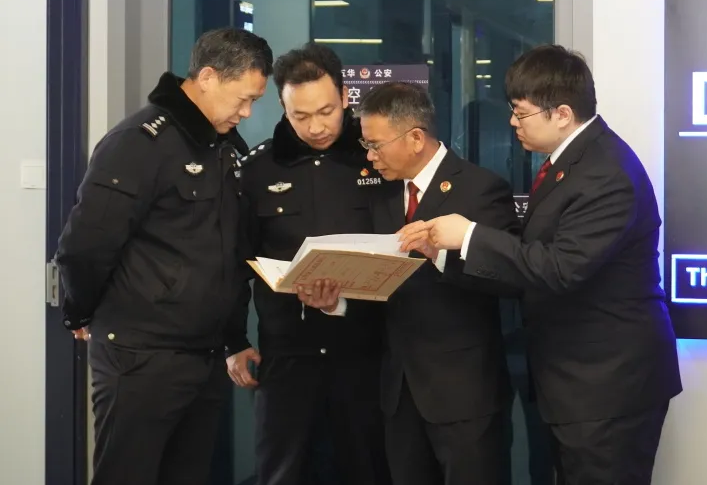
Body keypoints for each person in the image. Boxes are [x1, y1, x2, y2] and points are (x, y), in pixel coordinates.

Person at [400, 45, 683, 485]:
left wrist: (470, 235)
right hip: (574, 383)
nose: (513, 122)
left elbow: (559, 268)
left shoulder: (605, 173)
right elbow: (529, 259)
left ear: (562, 114)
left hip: (607, 386)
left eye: (521, 112)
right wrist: (443, 254)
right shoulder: (569, 163)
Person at [55, 28, 274, 485]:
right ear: (208, 77)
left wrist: (233, 337)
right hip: (141, 358)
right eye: (244, 99)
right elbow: (86, 244)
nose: (247, 113)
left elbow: (227, 254)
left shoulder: (222, 148)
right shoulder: (139, 142)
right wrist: (80, 312)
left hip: (203, 356)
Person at [224, 42, 391, 485]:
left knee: (367, 469)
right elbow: (235, 263)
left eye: (326, 111)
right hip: (287, 354)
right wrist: (233, 339)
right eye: (300, 116)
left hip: (366, 353)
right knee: (283, 470)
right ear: (283, 107)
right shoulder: (257, 169)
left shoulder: (378, 159)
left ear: (345, 97)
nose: (316, 127)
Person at [355, 81, 520, 485]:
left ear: (415, 138)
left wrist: (441, 254)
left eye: (376, 145)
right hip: (399, 392)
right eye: (365, 145)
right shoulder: (381, 195)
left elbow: (509, 277)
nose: (370, 156)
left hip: (464, 393)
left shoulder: (481, 189)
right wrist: (337, 297)